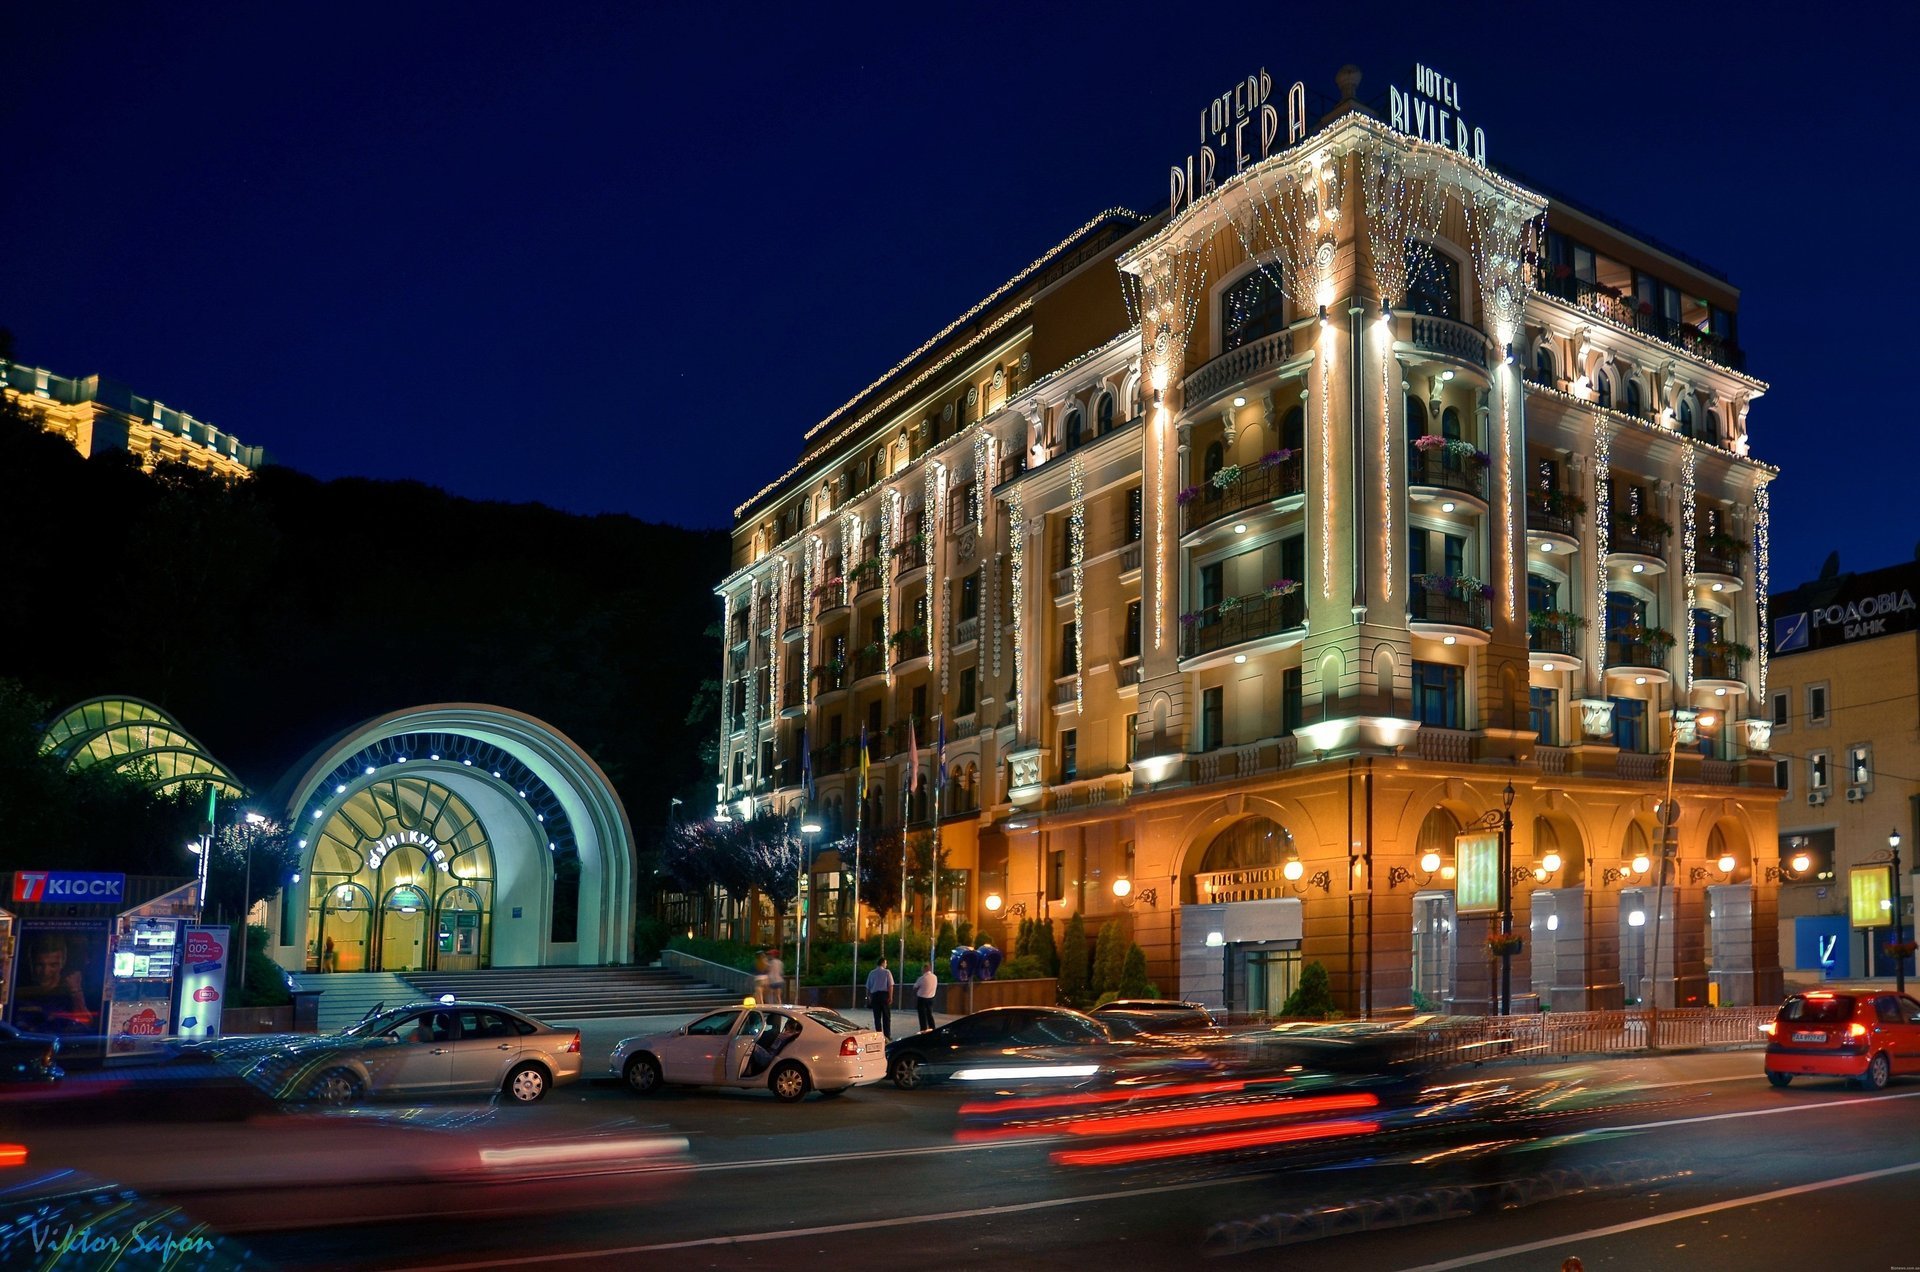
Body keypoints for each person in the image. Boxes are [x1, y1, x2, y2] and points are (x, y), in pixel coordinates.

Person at [865, 956, 894, 1037]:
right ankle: (887, 1036)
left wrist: (868, 998)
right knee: (886, 1017)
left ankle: (879, 1035)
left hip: (875, 997)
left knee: (877, 1018)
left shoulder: (871, 973)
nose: (886, 965)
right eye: (886, 963)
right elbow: (890, 985)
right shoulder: (887, 972)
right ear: (883, 963)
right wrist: (890, 997)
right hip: (884, 996)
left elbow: (867, 987)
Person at [914, 963, 938, 1032]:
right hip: (931, 998)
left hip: (922, 999)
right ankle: (932, 1027)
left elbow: (915, 987)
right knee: (929, 1014)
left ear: (924, 969)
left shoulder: (922, 978)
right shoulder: (935, 977)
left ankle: (923, 1029)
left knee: (922, 1015)